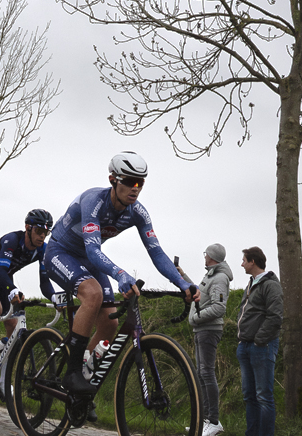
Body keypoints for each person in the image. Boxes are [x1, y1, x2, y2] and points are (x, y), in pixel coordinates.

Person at [44, 151, 199, 393]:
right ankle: (72, 372)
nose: (135, 188)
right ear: (112, 180)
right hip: (60, 252)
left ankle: (83, 376)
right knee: (93, 294)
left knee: (109, 323)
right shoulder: (93, 201)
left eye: (141, 183)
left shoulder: (138, 213)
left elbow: (157, 253)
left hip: (86, 257)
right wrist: (120, 274)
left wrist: (182, 283)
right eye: (129, 181)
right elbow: (94, 251)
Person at [0, 209, 56, 374]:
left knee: (13, 327)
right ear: (28, 227)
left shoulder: (43, 250)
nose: (42, 236)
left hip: (4, 277)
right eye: (39, 231)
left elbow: (44, 283)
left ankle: (3, 378)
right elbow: (0, 271)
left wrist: (55, 298)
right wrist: (13, 290)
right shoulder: (12, 240)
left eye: (46, 232)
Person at [229, 246, 283, 436]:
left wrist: (260, 339)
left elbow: (275, 316)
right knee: (249, 395)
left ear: (253, 261)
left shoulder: (270, 285)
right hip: (246, 346)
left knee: (264, 395)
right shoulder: (252, 284)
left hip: (262, 346)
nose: (242, 264)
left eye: (244, 260)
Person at [189, 243, 232, 436]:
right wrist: (182, 276)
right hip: (201, 330)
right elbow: (200, 294)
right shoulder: (210, 275)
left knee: (207, 373)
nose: (204, 256)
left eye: (206, 254)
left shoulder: (220, 278)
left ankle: (213, 421)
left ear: (212, 256)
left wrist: (196, 318)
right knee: (201, 373)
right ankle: (204, 419)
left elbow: (219, 308)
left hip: (208, 330)